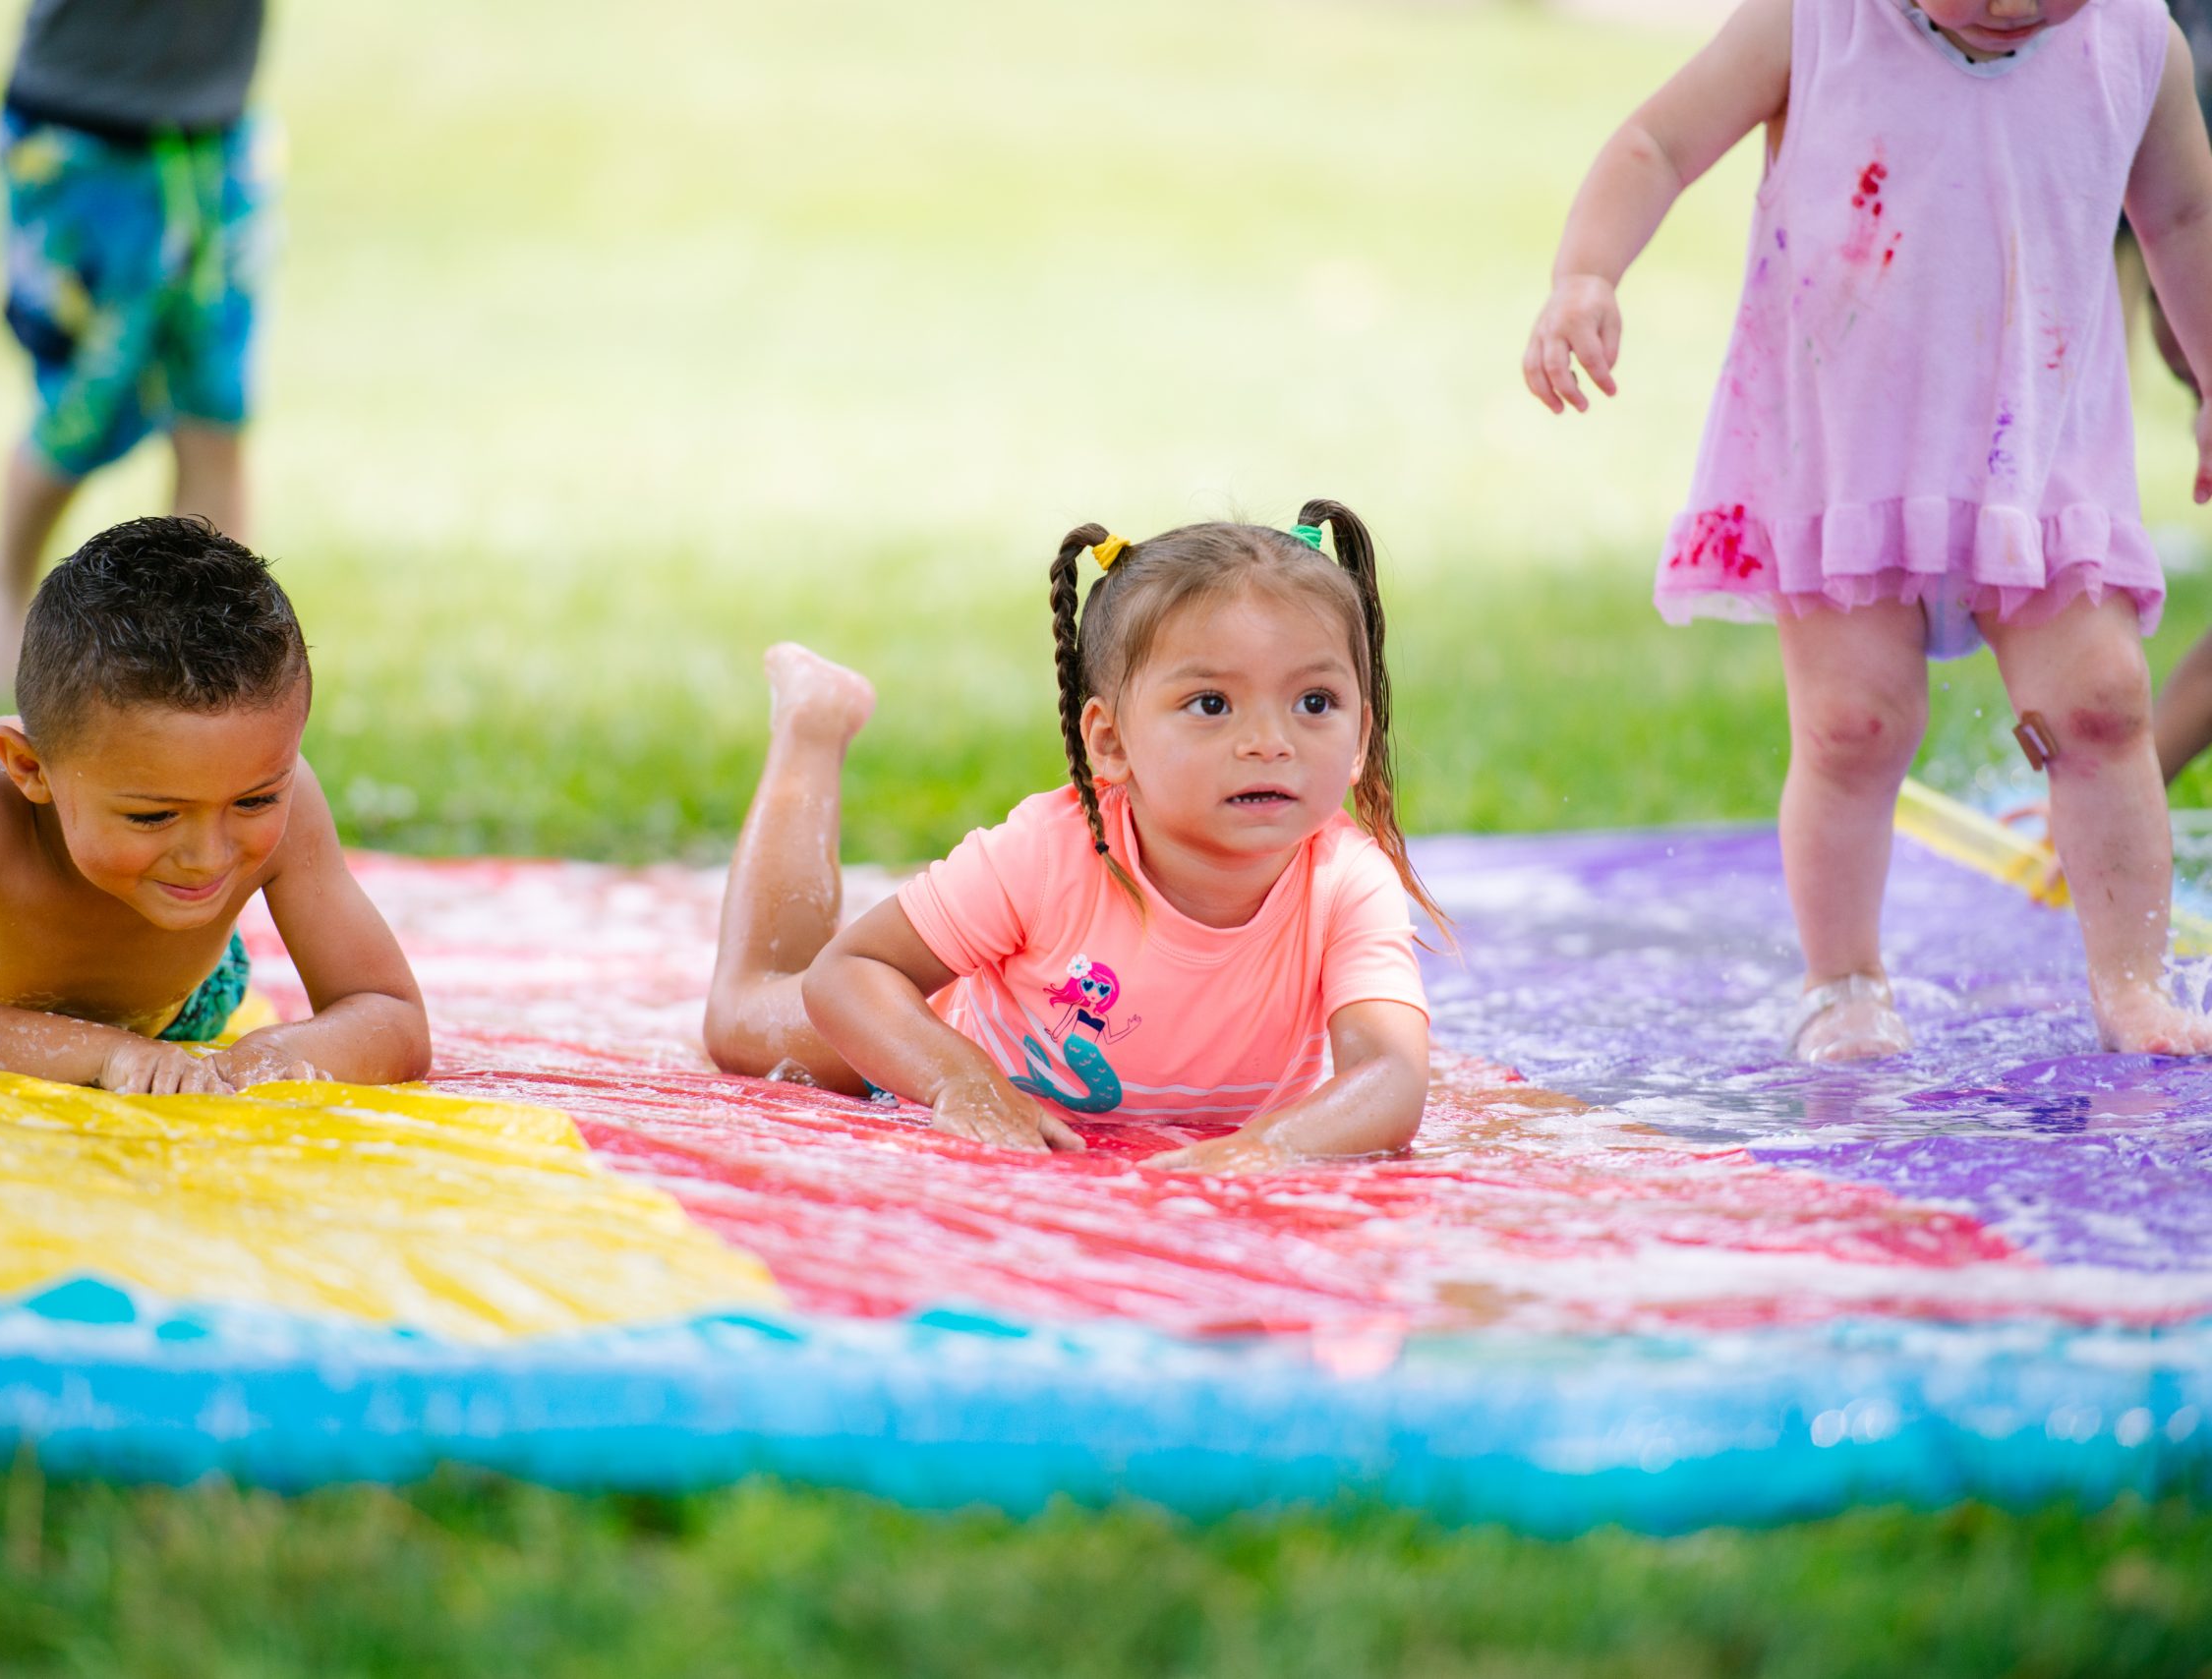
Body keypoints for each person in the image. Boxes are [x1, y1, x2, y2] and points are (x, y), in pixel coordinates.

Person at [1524, 0, 2212, 1060]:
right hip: (1847, 450)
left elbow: (2182, 220)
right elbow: (1656, 141)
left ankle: (2130, 982)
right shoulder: (1811, 22)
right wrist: (1585, 273)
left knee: (2102, 706)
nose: (2010, 7)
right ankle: (1841, 979)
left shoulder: (2134, 43)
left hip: (2036, 452)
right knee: (1853, 724)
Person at [702, 503, 1436, 1174]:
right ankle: (812, 724)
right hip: (936, 1046)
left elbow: (1391, 1077)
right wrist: (960, 1082)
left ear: (1363, 738)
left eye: (1316, 702)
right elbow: (851, 971)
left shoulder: (1347, 880)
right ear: (1110, 742)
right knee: (743, 1022)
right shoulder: (1048, 854)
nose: (1271, 742)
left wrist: (1264, 1147)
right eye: (1212, 704)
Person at [0, 516, 431, 1095]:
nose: (208, 856)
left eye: (256, 800)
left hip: (173, 1001)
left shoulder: (281, 788)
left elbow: (390, 1013)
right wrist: (107, 1053)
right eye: (153, 815)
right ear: (31, 769)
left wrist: (277, 1053)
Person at [0, 0, 276, 697]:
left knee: (214, 407)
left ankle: (218, 663)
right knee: (81, 406)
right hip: (77, 135)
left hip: (215, 139)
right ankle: (6, 591)